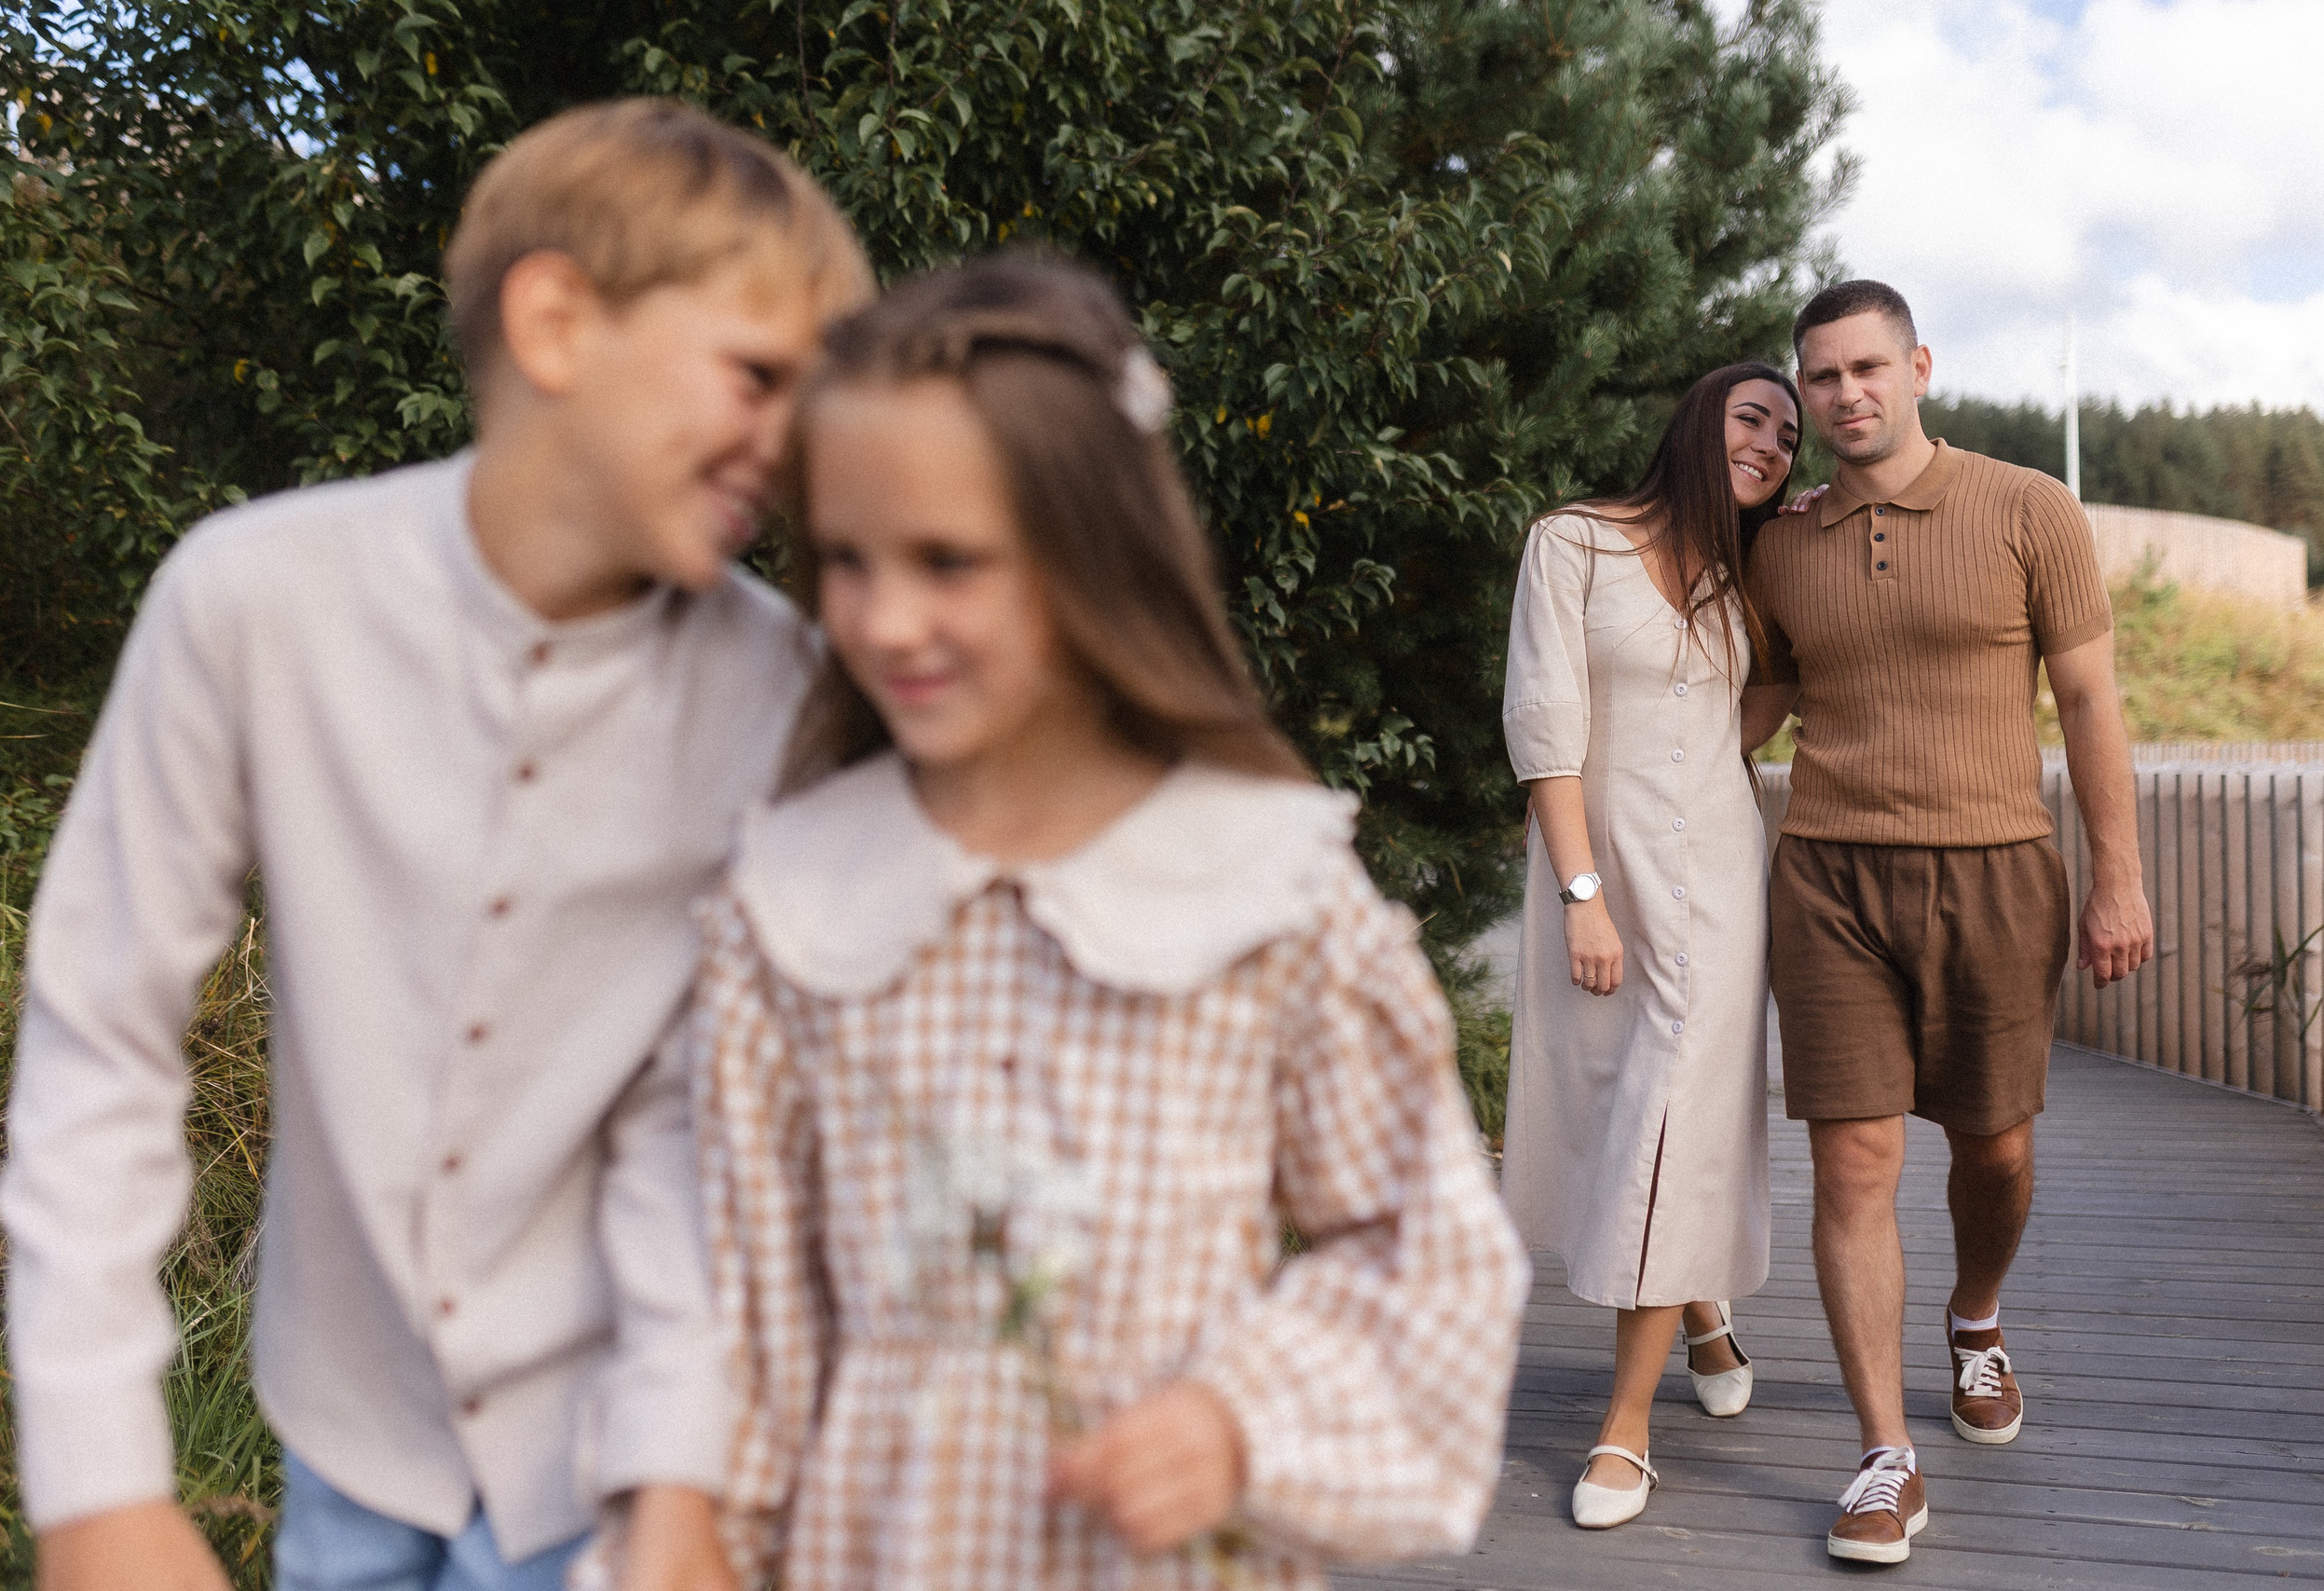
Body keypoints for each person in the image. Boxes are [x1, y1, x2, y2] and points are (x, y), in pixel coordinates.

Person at [2, 100, 873, 1591]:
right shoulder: (251, 600)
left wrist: (688, 1471)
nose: (795, 445)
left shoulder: (788, 693)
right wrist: (95, 1480)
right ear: (554, 323)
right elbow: (102, 1035)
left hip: (633, 1451)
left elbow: (720, 1127)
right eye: (756, 375)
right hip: (342, 1432)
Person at [683, 253, 1530, 1590]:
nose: (885, 617)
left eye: (948, 559)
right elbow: (742, 1322)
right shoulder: (793, 899)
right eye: (845, 559)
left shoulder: (1269, 889)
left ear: (1096, 550)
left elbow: (1424, 1242)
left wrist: (1236, 1416)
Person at [1743, 280, 2153, 1566]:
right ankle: (1885, 1454)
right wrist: (1595, 779)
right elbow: (1755, 702)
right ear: (1805, 397)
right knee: (1855, 1162)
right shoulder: (1782, 542)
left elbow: (2087, 699)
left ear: (1918, 366)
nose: (1848, 392)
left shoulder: (2031, 506)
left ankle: (1976, 1318)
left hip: (1993, 870)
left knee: (1994, 1147)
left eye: (1869, 366)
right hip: (1827, 877)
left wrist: (2118, 875)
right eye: (1823, 377)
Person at [1500, 362, 1803, 1530]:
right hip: (1603, 859)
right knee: (1623, 1102)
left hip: (1721, 868)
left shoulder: (1744, 577)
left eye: (1786, 436)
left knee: (1682, 1097)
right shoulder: (1573, 543)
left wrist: (1712, 750)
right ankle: (1699, 1309)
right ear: (1697, 423)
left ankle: (1624, 1429)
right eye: (1752, 418)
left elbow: (1773, 684)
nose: (1772, 444)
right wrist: (1581, 889)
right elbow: (1544, 721)